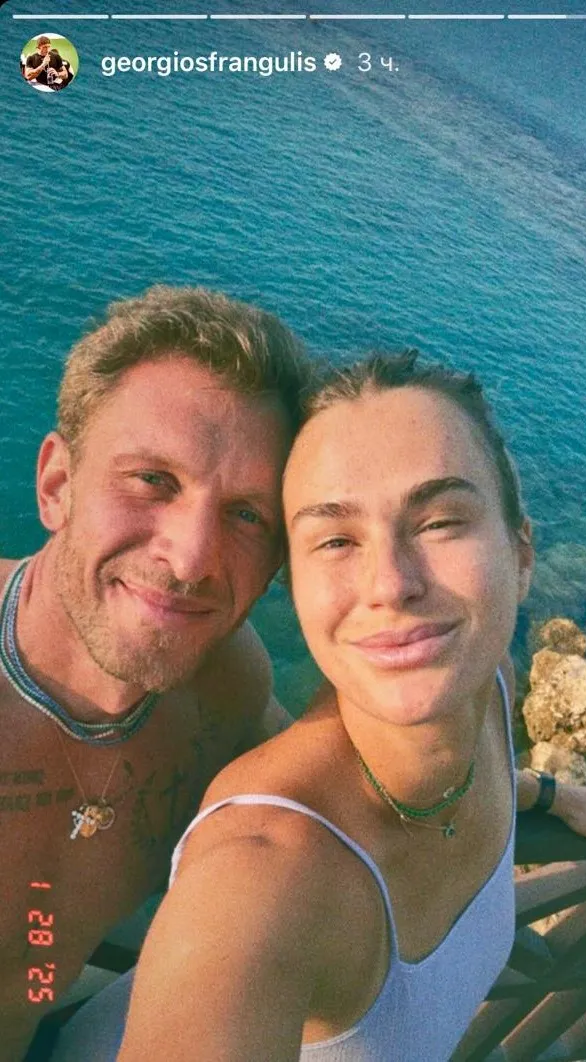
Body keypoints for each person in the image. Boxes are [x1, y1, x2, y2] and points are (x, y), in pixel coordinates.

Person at [54, 351, 586, 1062]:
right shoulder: (258, 882)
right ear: (293, 588)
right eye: (334, 540)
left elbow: (431, 779)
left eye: (440, 522)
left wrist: (542, 792)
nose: (390, 584)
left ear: (521, 553)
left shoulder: (491, 688)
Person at [0, 285, 310, 1062]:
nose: (192, 558)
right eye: (152, 480)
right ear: (57, 486)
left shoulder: (225, 684)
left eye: (246, 514)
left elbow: (326, 779)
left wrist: (527, 788)